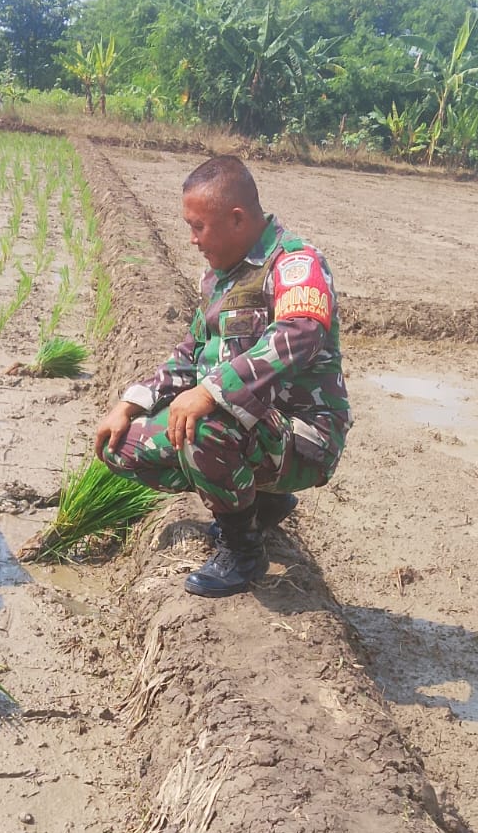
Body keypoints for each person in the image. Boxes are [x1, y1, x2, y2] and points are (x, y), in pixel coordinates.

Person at [94, 156, 350, 597]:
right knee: (121, 447)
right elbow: (190, 352)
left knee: (204, 425)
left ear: (237, 219)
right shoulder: (218, 279)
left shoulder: (295, 264)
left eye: (199, 227)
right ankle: (262, 501)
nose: (192, 240)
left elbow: (301, 331)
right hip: (252, 432)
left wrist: (212, 391)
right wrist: (131, 403)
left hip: (304, 437)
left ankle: (242, 547)